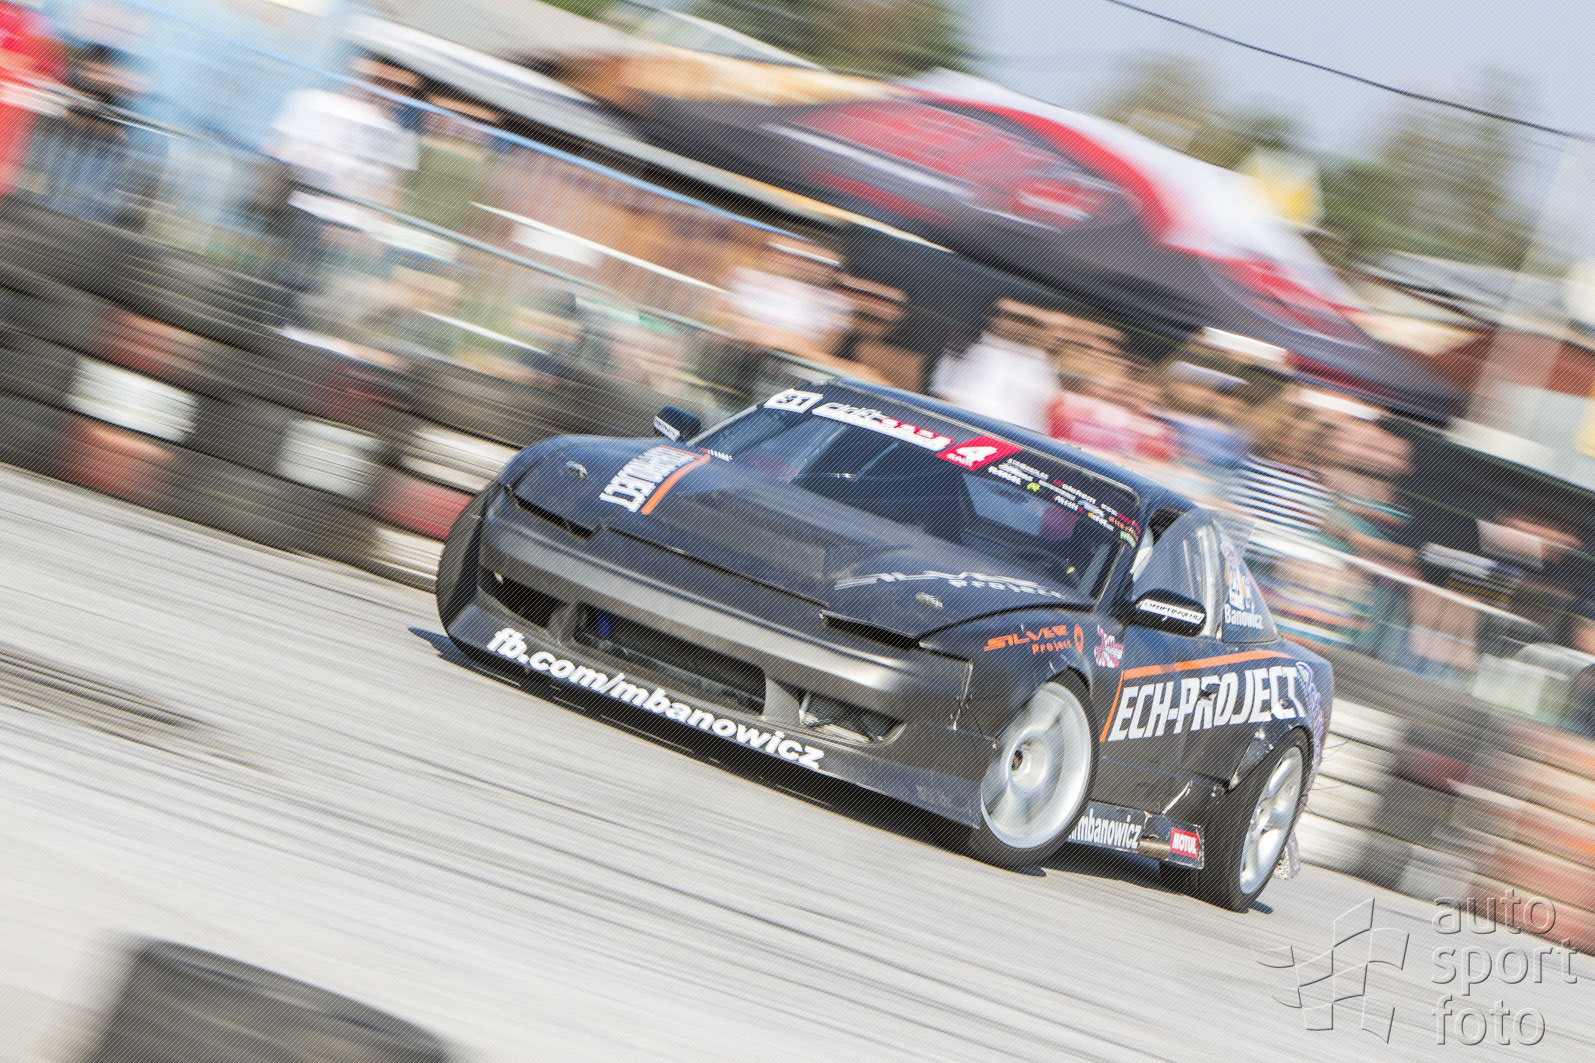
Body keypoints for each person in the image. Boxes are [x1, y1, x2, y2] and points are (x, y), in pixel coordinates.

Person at [260, 56, 420, 323]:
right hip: (309, 211)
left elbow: (393, 188)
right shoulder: (317, 104)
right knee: (295, 281)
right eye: (388, 84)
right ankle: (278, 323)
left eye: (404, 90)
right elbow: (280, 153)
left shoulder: (398, 134)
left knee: (318, 291)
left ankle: (288, 323)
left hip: (352, 224)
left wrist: (379, 229)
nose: (397, 95)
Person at [930, 298, 1059, 433]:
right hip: (961, 429)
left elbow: (1046, 404)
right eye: (1011, 317)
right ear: (994, 318)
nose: (1017, 324)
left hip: (1017, 439)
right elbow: (942, 393)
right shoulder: (965, 344)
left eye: (1025, 320)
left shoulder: (1043, 360)